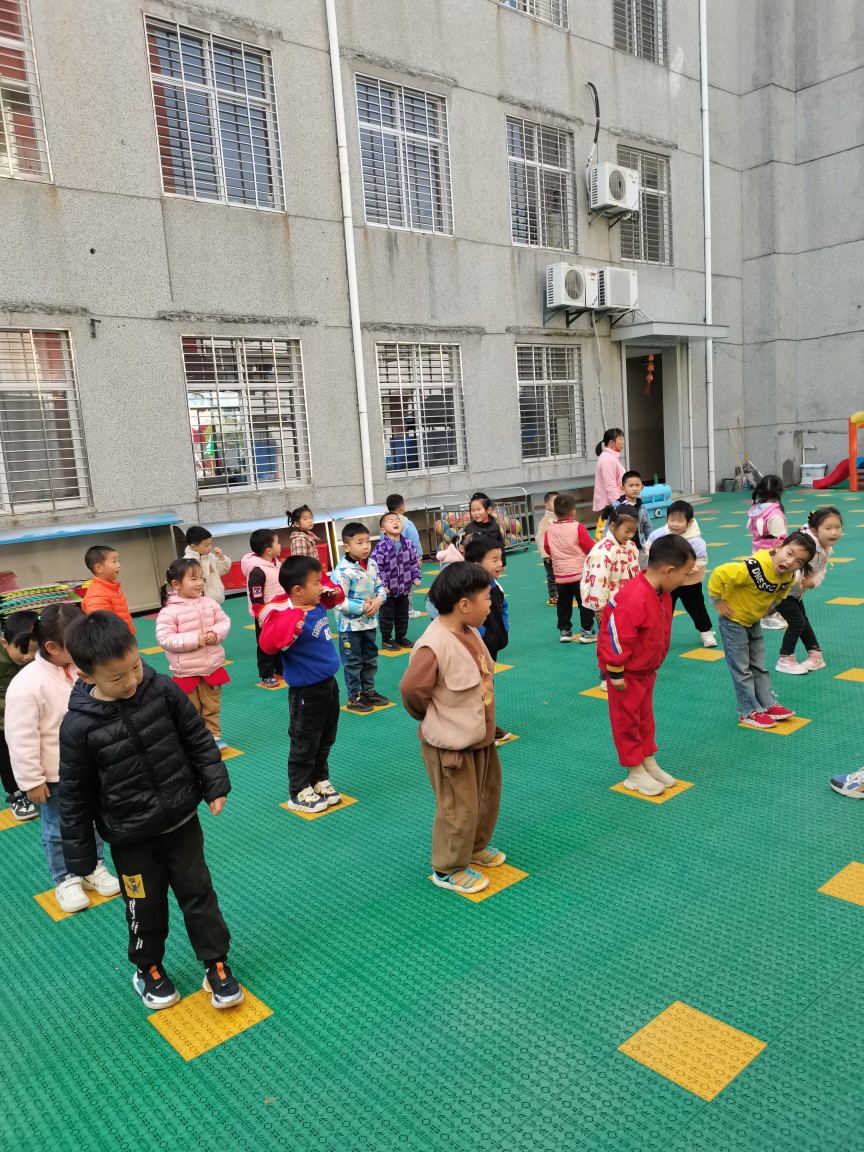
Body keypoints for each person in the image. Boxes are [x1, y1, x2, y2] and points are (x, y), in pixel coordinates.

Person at [59, 611, 241, 1012]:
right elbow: (74, 796)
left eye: (135, 667)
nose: (131, 681)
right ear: (86, 675)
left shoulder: (161, 688)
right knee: (144, 906)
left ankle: (216, 962)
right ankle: (148, 968)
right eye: (116, 678)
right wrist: (82, 858)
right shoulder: (77, 727)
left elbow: (196, 736)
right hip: (131, 839)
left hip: (181, 821)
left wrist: (214, 782)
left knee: (199, 894)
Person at [5, 602, 121, 913]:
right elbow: (20, 737)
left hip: (91, 766)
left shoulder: (82, 668)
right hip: (55, 775)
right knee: (58, 827)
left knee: (94, 819)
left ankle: (93, 866)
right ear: (53, 647)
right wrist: (31, 780)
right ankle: (65, 878)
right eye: (79, 641)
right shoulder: (27, 684)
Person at [400, 563, 504, 896]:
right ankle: (447, 867)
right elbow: (411, 690)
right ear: (464, 604)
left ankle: (473, 847)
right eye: (487, 597)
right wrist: (432, 718)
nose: (491, 603)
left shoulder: (470, 631)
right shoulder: (434, 645)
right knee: (457, 806)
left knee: (485, 796)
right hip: (450, 747)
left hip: (478, 738)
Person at [597, 534, 696, 796]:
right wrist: (615, 671)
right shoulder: (635, 596)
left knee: (644, 718)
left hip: (645, 670)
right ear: (669, 571)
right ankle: (634, 771)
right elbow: (616, 635)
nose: (685, 580)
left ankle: (647, 760)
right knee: (627, 720)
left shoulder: (662, 593)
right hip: (625, 674)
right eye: (685, 574)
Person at [258, 555, 346, 814]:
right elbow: (268, 642)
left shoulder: (317, 603)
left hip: (329, 685)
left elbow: (335, 594)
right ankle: (298, 791)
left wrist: (330, 591)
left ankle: (318, 780)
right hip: (306, 692)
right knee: (304, 742)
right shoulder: (287, 614)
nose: (322, 586)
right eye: (316, 583)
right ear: (297, 590)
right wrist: (292, 622)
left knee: (326, 738)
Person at [708, 532, 816, 728]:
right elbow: (720, 573)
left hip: (753, 621)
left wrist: (771, 607)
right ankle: (748, 711)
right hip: (733, 622)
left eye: (799, 562)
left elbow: (782, 592)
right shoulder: (754, 568)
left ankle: (767, 703)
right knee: (742, 669)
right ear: (779, 546)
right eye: (789, 553)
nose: (790, 562)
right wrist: (717, 600)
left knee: (758, 666)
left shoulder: (788, 575)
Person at [155, 558, 231, 749]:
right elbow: (164, 639)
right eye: (193, 579)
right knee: (189, 709)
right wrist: (194, 640)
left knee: (212, 706)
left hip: (212, 667)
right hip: (187, 671)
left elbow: (224, 621)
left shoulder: (209, 603)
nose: (199, 583)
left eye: (201, 578)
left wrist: (216, 633)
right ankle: (193, 739)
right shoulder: (169, 612)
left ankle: (214, 737)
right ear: (176, 584)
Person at [775, 506, 843, 674]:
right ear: (814, 530)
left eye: (838, 527)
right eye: (828, 528)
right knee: (797, 622)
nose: (834, 532)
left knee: (802, 620)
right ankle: (785, 658)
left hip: (795, 592)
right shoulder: (805, 545)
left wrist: (813, 582)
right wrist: (799, 579)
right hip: (780, 589)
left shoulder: (825, 548)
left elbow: (821, 570)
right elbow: (791, 564)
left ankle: (815, 655)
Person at [331, 521, 389, 713]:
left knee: (370, 659)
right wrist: (366, 606)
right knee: (353, 662)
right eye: (359, 542)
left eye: (367, 541)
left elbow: (381, 588)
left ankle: (368, 691)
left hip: (370, 624)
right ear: (347, 547)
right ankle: (354, 696)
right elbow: (339, 601)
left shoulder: (372, 564)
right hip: (350, 628)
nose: (365, 546)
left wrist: (379, 600)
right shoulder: (342, 571)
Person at [646, 499, 717, 647]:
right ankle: (659, 636)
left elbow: (702, 560)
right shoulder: (660, 534)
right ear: (666, 518)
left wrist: (685, 571)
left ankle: (706, 632)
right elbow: (649, 546)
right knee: (663, 609)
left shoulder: (696, 541)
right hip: (667, 581)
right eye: (672, 520)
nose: (675, 524)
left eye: (680, 521)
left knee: (696, 607)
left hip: (689, 582)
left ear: (689, 522)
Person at [464, 537, 511, 745]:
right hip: (476, 649)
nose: (500, 564)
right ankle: (478, 731)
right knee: (474, 689)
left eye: (500, 558)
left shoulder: (495, 586)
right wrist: (480, 636)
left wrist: (503, 629)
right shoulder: (469, 591)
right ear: (477, 565)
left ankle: (487, 725)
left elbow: (504, 607)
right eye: (494, 560)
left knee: (487, 687)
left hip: (491, 647)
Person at [541, 491, 597, 643]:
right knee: (584, 603)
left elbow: (547, 548)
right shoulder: (578, 527)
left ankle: (565, 631)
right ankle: (587, 630)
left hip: (560, 575)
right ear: (573, 512)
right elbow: (588, 546)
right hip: (579, 574)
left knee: (563, 604)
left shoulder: (550, 529)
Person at [0, 611, 39, 821]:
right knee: (6, 759)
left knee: (32, 751)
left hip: (27, 717)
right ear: (5, 643)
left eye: (34, 650)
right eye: (23, 650)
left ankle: (38, 784)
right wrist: (15, 707)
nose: (28, 656)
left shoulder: (36, 659)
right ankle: (16, 795)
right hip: (2, 723)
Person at [372, 511, 421, 651]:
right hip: (387, 591)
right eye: (391, 521)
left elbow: (413, 562)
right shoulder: (381, 547)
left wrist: (416, 577)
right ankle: (386, 639)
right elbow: (377, 567)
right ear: (383, 530)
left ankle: (400, 636)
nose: (395, 522)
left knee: (403, 615)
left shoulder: (408, 543)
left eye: (397, 520)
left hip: (404, 588)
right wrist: (383, 585)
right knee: (387, 616)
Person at [241, 528, 283, 687]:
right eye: (277, 543)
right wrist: (260, 615)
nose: (280, 545)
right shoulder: (257, 571)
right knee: (266, 645)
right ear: (269, 550)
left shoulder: (276, 564)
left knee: (282, 641)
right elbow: (256, 597)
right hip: (265, 616)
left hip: (280, 612)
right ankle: (267, 674)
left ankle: (281, 669)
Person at [747, 475, 788, 630]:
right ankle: (767, 615)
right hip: (772, 555)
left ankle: (767, 613)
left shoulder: (756, 509)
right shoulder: (774, 513)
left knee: (764, 584)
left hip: (758, 551)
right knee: (775, 586)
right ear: (780, 492)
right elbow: (780, 539)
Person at [82, 544, 135, 633]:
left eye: (118, 561)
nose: (119, 565)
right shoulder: (97, 594)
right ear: (99, 568)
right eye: (114, 562)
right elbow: (101, 626)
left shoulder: (113, 586)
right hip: (115, 638)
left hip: (125, 635)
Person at [387, 495, 424, 620]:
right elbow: (415, 541)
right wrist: (418, 557)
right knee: (407, 585)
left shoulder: (385, 523)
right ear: (402, 507)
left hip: (391, 560)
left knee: (393, 585)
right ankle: (408, 610)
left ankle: (395, 611)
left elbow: (382, 542)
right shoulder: (407, 524)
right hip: (406, 561)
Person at [606, 471, 653, 551]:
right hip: (621, 547)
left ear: (642, 487)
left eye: (637, 485)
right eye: (631, 486)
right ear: (622, 488)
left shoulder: (642, 507)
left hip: (639, 547)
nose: (634, 489)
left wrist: (651, 544)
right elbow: (608, 527)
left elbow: (647, 528)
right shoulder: (617, 506)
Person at [183, 526, 232, 604]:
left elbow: (222, 570)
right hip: (196, 601)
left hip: (214, 598)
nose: (209, 547)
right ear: (193, 547)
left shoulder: (210, 557)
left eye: (210, 544)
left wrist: (221, 558)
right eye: (206, 545)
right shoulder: (187, 561)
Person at [592, 428, 626, 518]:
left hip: (613, 504)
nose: (623, 442)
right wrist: (618, 506)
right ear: (611, 442)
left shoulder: (611, 457)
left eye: (623, 439)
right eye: (620, 439)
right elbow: (610, 486)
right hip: (609, 506)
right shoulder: (607, 459)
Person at [466, 493, 506, 565]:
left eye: (478, 509)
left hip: (493, 565)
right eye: (473, 510)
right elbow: (467, 552)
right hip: (478, 567)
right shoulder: (469, 529)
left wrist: (502, 563)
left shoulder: (495, 527)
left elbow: (500, 546)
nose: (476, 513)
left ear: (488, 510)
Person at [535, 490, 559, 606]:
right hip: (550, 555)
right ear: (547, 506)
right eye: (555, 503)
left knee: (561, 574)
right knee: (552, 575)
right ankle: (553, 596)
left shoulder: (561, 517)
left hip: (560, 553)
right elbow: (540, 537)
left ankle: (563, 594)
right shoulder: (546, 521)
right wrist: (545, 555)